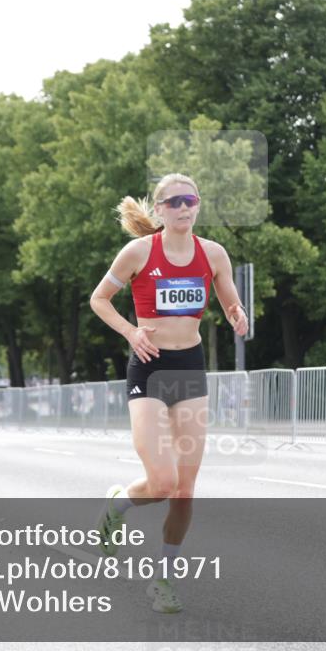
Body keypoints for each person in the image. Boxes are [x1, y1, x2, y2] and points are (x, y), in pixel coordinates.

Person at [89, 173, 249, 613]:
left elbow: (229, 299)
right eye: (173, 201)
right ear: (159, 210)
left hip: (190, 368)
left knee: (184, 490)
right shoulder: (139, 251)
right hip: (150, 367)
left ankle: (164, 579)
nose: (183, 207)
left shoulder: (213, 253)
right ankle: (117, 506)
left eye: (190, 200)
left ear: (198, 206)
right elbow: (99, 299)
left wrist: (238, 316)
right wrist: (130, 332)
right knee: (161, 481)